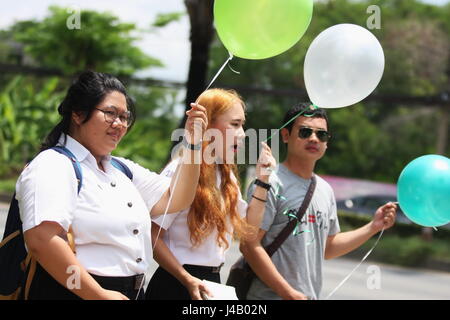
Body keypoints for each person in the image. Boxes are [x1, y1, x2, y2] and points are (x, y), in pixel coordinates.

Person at [15, 70, 207, 300]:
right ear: (78, 113)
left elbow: (176, 199)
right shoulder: (53, 164)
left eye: (124, 117)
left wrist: (193, 144)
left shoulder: (122, 169)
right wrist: (97, 294)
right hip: (74, 292)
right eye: (110, 113)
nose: (119, 124)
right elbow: (42, 240)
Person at [240, 103, 397, 300]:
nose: (314, 139)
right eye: (305, 132)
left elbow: (328, 248)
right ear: (285, 135)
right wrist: (286, 292)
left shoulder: (325, 189)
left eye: (321, 135)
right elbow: (248, 244)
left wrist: (373, 226)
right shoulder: (268, 182)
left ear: (327, 142)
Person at [146, 88, 276, 300]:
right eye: (235, 124)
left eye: (242, 124)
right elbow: (152, 235)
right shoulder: (181, 169)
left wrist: (263, 181)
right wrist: (186, 278)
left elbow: (250, 231)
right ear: (207, 125)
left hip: (211, 283)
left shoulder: (225, 174)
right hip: (176, 283)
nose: (242, 133)